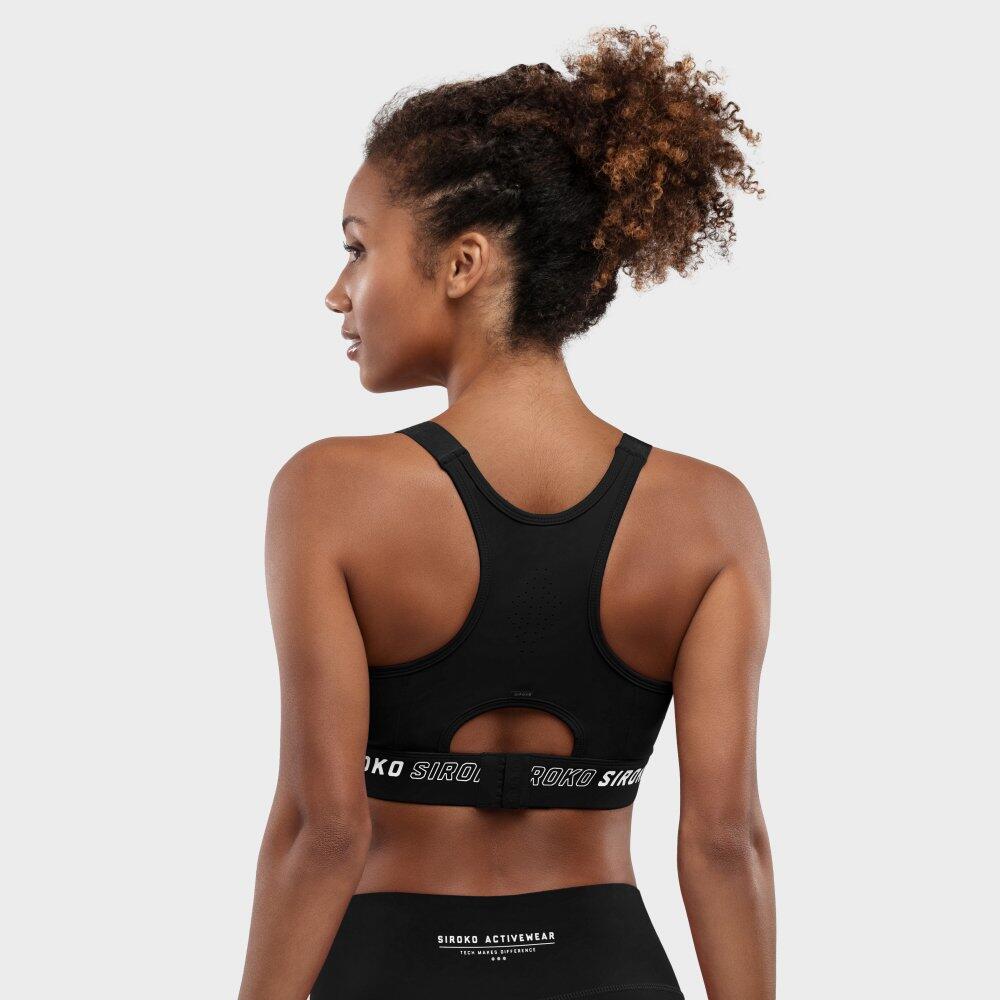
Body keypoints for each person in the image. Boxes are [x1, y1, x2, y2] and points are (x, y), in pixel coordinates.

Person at [238, 25, 774, 1000]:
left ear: (462, 264)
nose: (337, 293)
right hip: (610, 970)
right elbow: (723, 840)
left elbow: (324, 830)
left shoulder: (329, 493)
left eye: (358, 249)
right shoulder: (709, 515)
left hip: (389, 969)